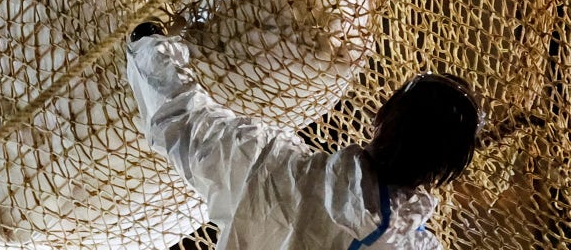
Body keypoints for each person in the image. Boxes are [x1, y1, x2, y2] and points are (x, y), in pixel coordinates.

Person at [126, 21, 484, 249]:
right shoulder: (411, 246)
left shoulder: (268, 164)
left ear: (381, 116)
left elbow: (185, 120)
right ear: (442, 173)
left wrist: (148, 43)